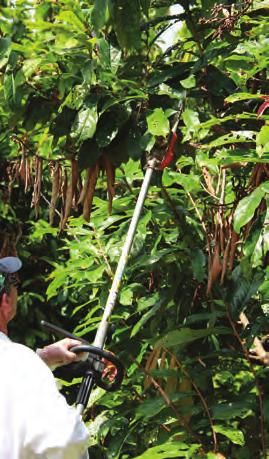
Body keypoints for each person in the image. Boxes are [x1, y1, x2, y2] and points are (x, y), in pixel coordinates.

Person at [0, 256, 90, 459]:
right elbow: (66, 441)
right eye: (13, 283)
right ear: (5, 302)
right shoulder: (18, 361)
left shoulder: (18, 363)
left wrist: (44, 358)